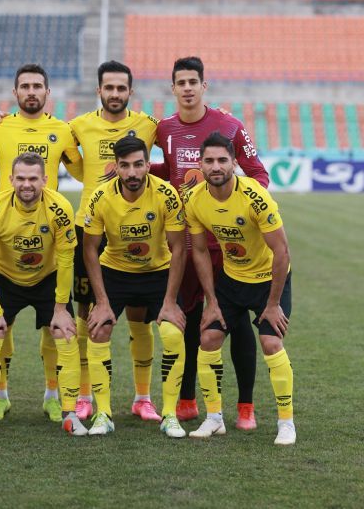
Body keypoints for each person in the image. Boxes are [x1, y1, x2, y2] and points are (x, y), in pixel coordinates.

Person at [153, 56, 269, 430]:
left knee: (234, 321)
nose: (187, 88)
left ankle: (245, 407)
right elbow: (169, 170)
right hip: (186, 245)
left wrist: (234, 212)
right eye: (181, 82)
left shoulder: (230, 126)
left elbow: (259, 175)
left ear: (204, 86)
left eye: (194, 82)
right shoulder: (164, 129)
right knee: (189, 320)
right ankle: (187, 400)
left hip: (228, 249)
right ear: (173, 88)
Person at [0, 63, 83, 422]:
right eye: (25, 86)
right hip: (6, 245)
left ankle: (52, 395)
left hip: (48, 248)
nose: (31, 92)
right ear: (15, 92)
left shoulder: (62, 130)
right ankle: (0, 395)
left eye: (37, 86)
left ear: (47, 92)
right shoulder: (0, 128)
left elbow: (86, 171)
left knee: (57, 329)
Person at [185, 132, 295, 445]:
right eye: (209, 160)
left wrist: (272, 304)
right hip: (232, 280)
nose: (216, 166)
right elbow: (199, 250)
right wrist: (211, 301)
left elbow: (282, 251)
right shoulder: (194, 199)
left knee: (271, 343)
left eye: (222, 160)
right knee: (208, 338)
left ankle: (286, 422)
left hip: (268, 281)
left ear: (234, 163)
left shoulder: (256, 196)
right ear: (200, 164)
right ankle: (214, 418)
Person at [68, 60, 159, 422]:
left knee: (140, 315)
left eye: (122, 88)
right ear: (99, 90)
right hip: (90, 227)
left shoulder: (148, 125)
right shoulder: (79, 125)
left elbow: (183, 133)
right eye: (109, 87)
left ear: (130, 92)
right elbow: (50, 144)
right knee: (87, 314)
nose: (115, 93)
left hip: (133, 227)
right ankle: (84, 396)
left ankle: (142, 397)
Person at [84, 136, 187, 437]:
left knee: (172, 333)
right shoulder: (100, 197)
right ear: (115, 167)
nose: (132, 172)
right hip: (115, 272)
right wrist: (102, 302)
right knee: (98, 329)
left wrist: (170, 301)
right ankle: (103, 413)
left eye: (138, 165)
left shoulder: (166, 194)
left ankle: (169, 414)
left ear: (148, 165)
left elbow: (179, 248)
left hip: (158, 272)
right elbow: (89, 249)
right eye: (125, 165)